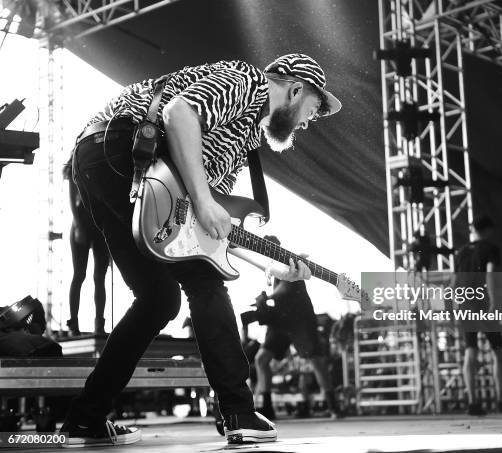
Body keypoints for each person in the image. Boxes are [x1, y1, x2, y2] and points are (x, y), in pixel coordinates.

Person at [60, 53, 341, 447]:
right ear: (294, 89)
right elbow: (180, 112)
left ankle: (84, 420)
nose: (310, 120)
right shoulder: (249, 81)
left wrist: (273, 269)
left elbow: (209, 233)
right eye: (313, 107)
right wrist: (204, 200)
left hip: (106, 163)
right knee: (205, 284)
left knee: (158, 300)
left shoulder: (241, 140)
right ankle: (239, 411)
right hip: (126, 150)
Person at [242, 235, 342, 420]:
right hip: (281, 320)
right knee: (261, 359)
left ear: (276, 246)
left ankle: (334, 406)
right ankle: (267, 407)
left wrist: (268, 298)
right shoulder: (267, 265)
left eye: (268, 246)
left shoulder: (287, 260)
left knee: (316, 362)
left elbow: (286, 288)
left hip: (300, 320)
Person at [453, 215, 502, 415]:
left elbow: (454, 284)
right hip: (484, 304)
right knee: (497, 352)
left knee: (470, 352)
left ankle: (473, 403)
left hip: (465, 306)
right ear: (488, 230)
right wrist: (493, 300)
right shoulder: (491, 249)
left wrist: (453, 308)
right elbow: (490, 274)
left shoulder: (460, 253)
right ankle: (501, 401)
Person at [63, 162, 110, 336]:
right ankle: (73, 324)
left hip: (101, 225)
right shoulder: (75, 166)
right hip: (82, 222)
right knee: (79, 275)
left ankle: (99, 324)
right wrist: (78, 226)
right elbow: (72, 199)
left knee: (100, 277)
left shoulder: (101, 165)